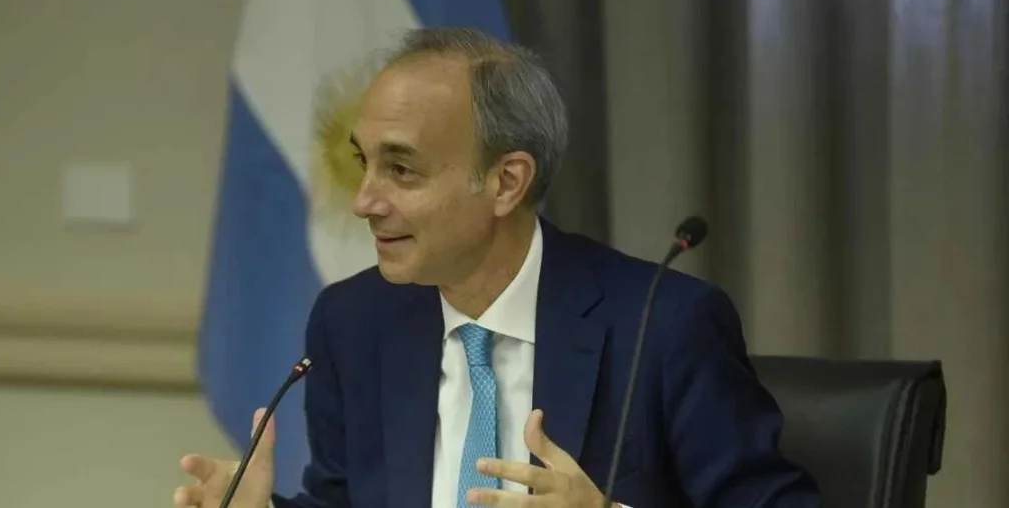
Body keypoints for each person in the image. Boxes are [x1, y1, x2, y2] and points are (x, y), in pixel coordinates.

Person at [174, 27, 822, 508]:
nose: (365, 201)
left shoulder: (665, 327)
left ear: (507, 182)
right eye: (364, 162)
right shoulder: (355, 321)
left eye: (401, 169)